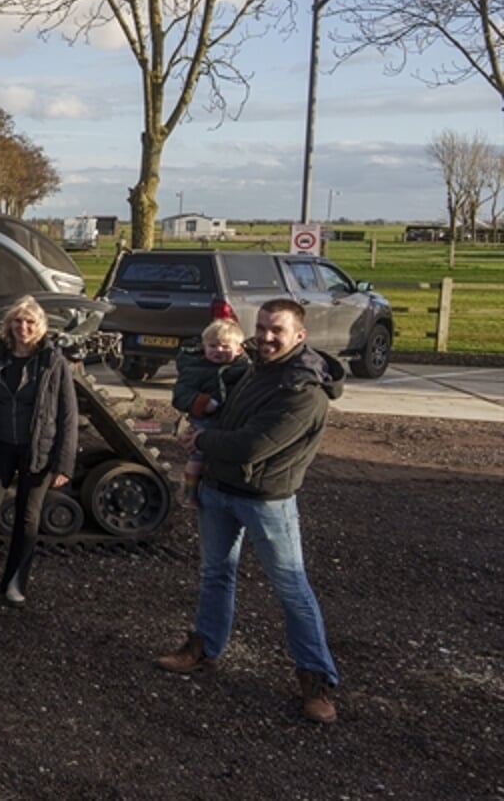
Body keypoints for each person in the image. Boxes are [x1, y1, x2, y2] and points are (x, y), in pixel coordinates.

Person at [154, 299, 344, 725]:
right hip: (220, 489)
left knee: (291, 588)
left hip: (265, 499)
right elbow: (226, 416)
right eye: (261, 327)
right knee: (215, 574)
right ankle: (204, 646)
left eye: (277, 330)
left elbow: (255, 444)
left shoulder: (303, 389)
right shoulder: (256, 368)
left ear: (300, 335)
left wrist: (200, 443)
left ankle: (317, 679)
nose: (267, 336)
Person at [0, 295, 78, 607]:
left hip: (37, 449)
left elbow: (68, 414)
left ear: (40, 327)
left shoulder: (52, 362)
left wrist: (64, 464)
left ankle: (15, 581)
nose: (23, 327)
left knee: (28, 518)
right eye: (17, 322)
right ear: (9, 325)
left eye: (30, 322)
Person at [169, 318, 251, 509]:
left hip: (231, 421)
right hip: (205, 420)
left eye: (225, 346)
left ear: (239, 349)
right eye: (213, 346)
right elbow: (181, 395)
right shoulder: (195, 368)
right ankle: (189, 493)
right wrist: (201, 403)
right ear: (204, 346)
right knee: (198, 457)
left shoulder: (244, 369)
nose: (218, 351)